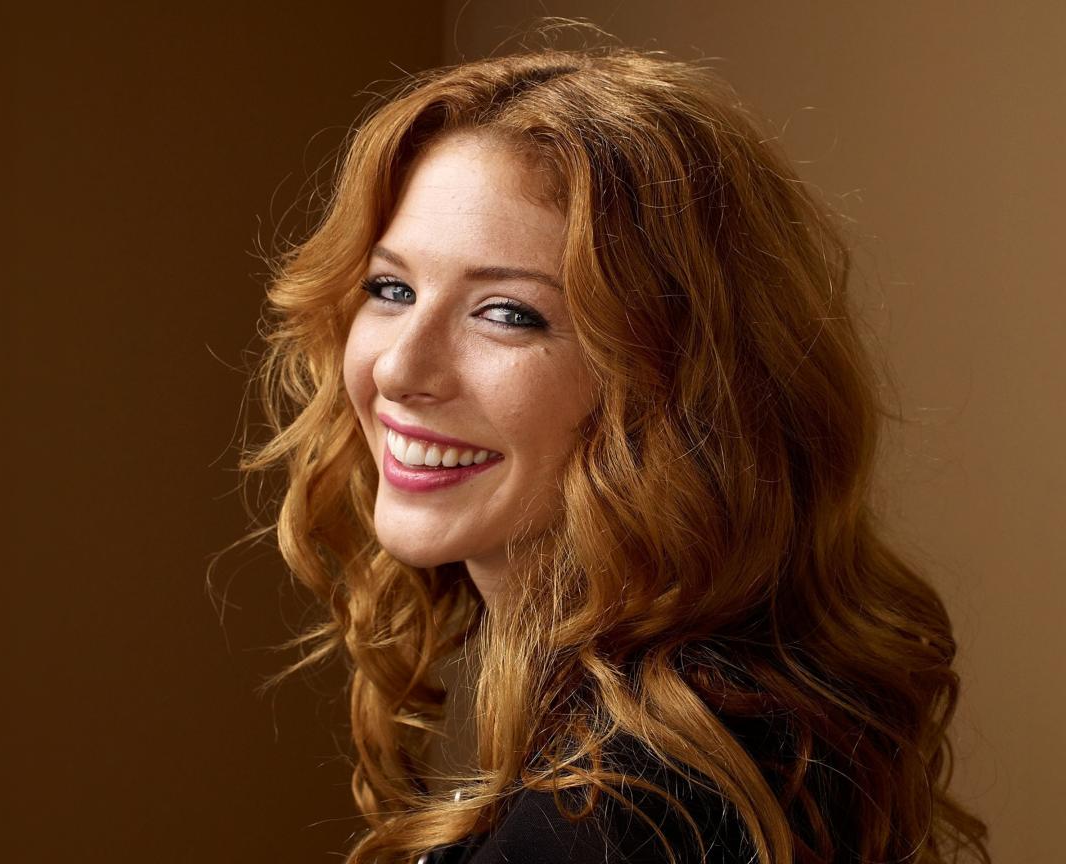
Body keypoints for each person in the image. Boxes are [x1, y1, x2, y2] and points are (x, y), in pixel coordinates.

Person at [239, 36, 991, 864]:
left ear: (678, 383)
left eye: (507, 313)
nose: (398, 369)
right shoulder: (722, 731)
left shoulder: (620, 818)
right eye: (391, 289)